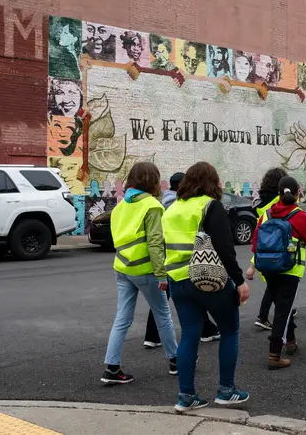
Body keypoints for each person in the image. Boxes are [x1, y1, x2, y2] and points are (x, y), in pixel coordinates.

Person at [163, 162, 250, 412]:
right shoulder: (210, 206)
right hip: (207, 278)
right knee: (230, 329)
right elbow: (224, 249)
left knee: (190, 335)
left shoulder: (172, 208)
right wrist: (239, 281)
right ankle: (226, 390)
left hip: (177, 281)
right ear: (212, 182)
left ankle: (186, 396)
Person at [100, 162, 178, 385]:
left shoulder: (120, 206)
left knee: (122, 318)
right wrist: (161, 274)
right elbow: (155, 242)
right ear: (152, 181)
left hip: (122, 267)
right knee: (162, 314)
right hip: (146, 270)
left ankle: (112, 368)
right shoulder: (152, 206)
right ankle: (175, 361)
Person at [246, 176, 306, 370]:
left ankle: (291, 342)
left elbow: (256, 240)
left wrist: (253, 265)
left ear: (279, 193)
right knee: (283, 311)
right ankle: (274, 354)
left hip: (268, 268)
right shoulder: (298, 215)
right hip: (290, 269)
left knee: (283, 307)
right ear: (296, 194)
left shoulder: (267, 213)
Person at [144, 172, 220, 349]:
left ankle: (152, 336)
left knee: (162, 301)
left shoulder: (161, 202)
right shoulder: (178, 205)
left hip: (165, 257)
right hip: (181, 260)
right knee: (195, 296)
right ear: (180, 185)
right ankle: (206, 331)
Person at [251, 168, 290, 331]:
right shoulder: (278, 203)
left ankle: (266, 315)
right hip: (277, 250)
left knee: (272, 285)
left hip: (262, 249)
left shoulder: (258, 203)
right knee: (276, 286)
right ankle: (266, 316)